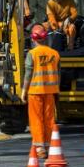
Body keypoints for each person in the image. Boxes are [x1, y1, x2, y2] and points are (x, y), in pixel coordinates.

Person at [21, 24, 60, 159]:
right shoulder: (54, 54)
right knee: (49, 119)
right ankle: (49, 146)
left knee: (36, 119)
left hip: (35, 92)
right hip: (50, 92)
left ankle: (40, 148)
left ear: (33, 39)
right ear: (45, 38)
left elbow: (28, 74)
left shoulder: (32, 54)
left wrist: (23, 91)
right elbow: (58, 75)